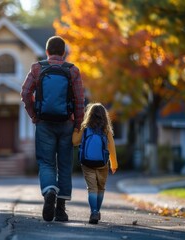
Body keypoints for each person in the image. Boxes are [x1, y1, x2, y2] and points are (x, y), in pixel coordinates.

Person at [21, 36, 85, 222]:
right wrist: (78, 124)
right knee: (64, 165)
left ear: (47, 51)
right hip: (66, 123)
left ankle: (49, 190)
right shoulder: (73, 71)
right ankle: (61, 210)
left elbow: (25, 94)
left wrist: (34, 115)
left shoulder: (37, 68)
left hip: (44, 123)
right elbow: (80, 100)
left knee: (47, 163)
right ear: (64, 52)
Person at [73, 102, 118, 224]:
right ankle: (96, 211)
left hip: (87, 163)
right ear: (104, 116)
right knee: (100, 188)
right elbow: (112, 147)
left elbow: (74, 141)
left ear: (89, 115)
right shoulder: (106, 130)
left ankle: (93, 211)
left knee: (91, 188)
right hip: (103, 163)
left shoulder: (85, 128)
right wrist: (114, 164)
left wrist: (76, 129)